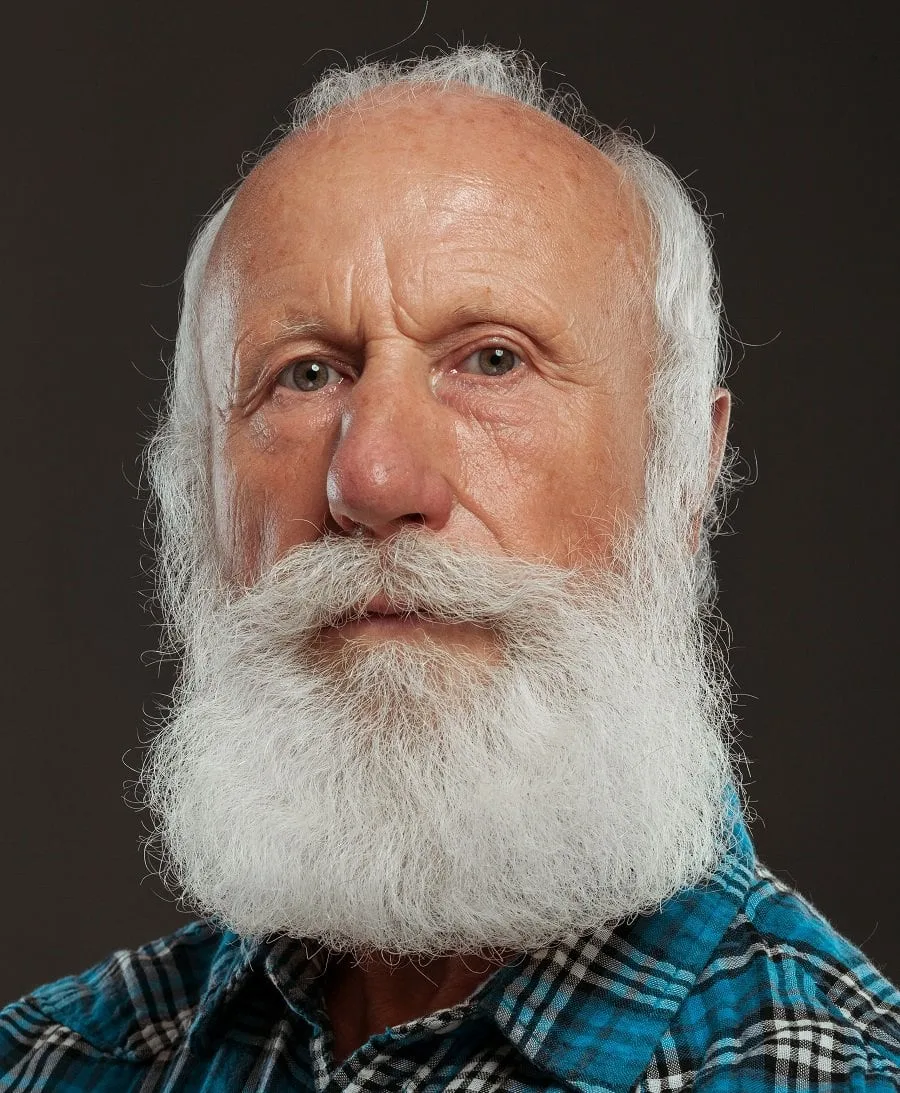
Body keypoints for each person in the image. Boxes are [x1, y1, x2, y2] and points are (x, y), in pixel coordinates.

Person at [1, 45, 897, 1093]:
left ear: (684, 473)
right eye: (305, 374)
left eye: (492, 358)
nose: (374, 477)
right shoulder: (48, 1065)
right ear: (192, 488)